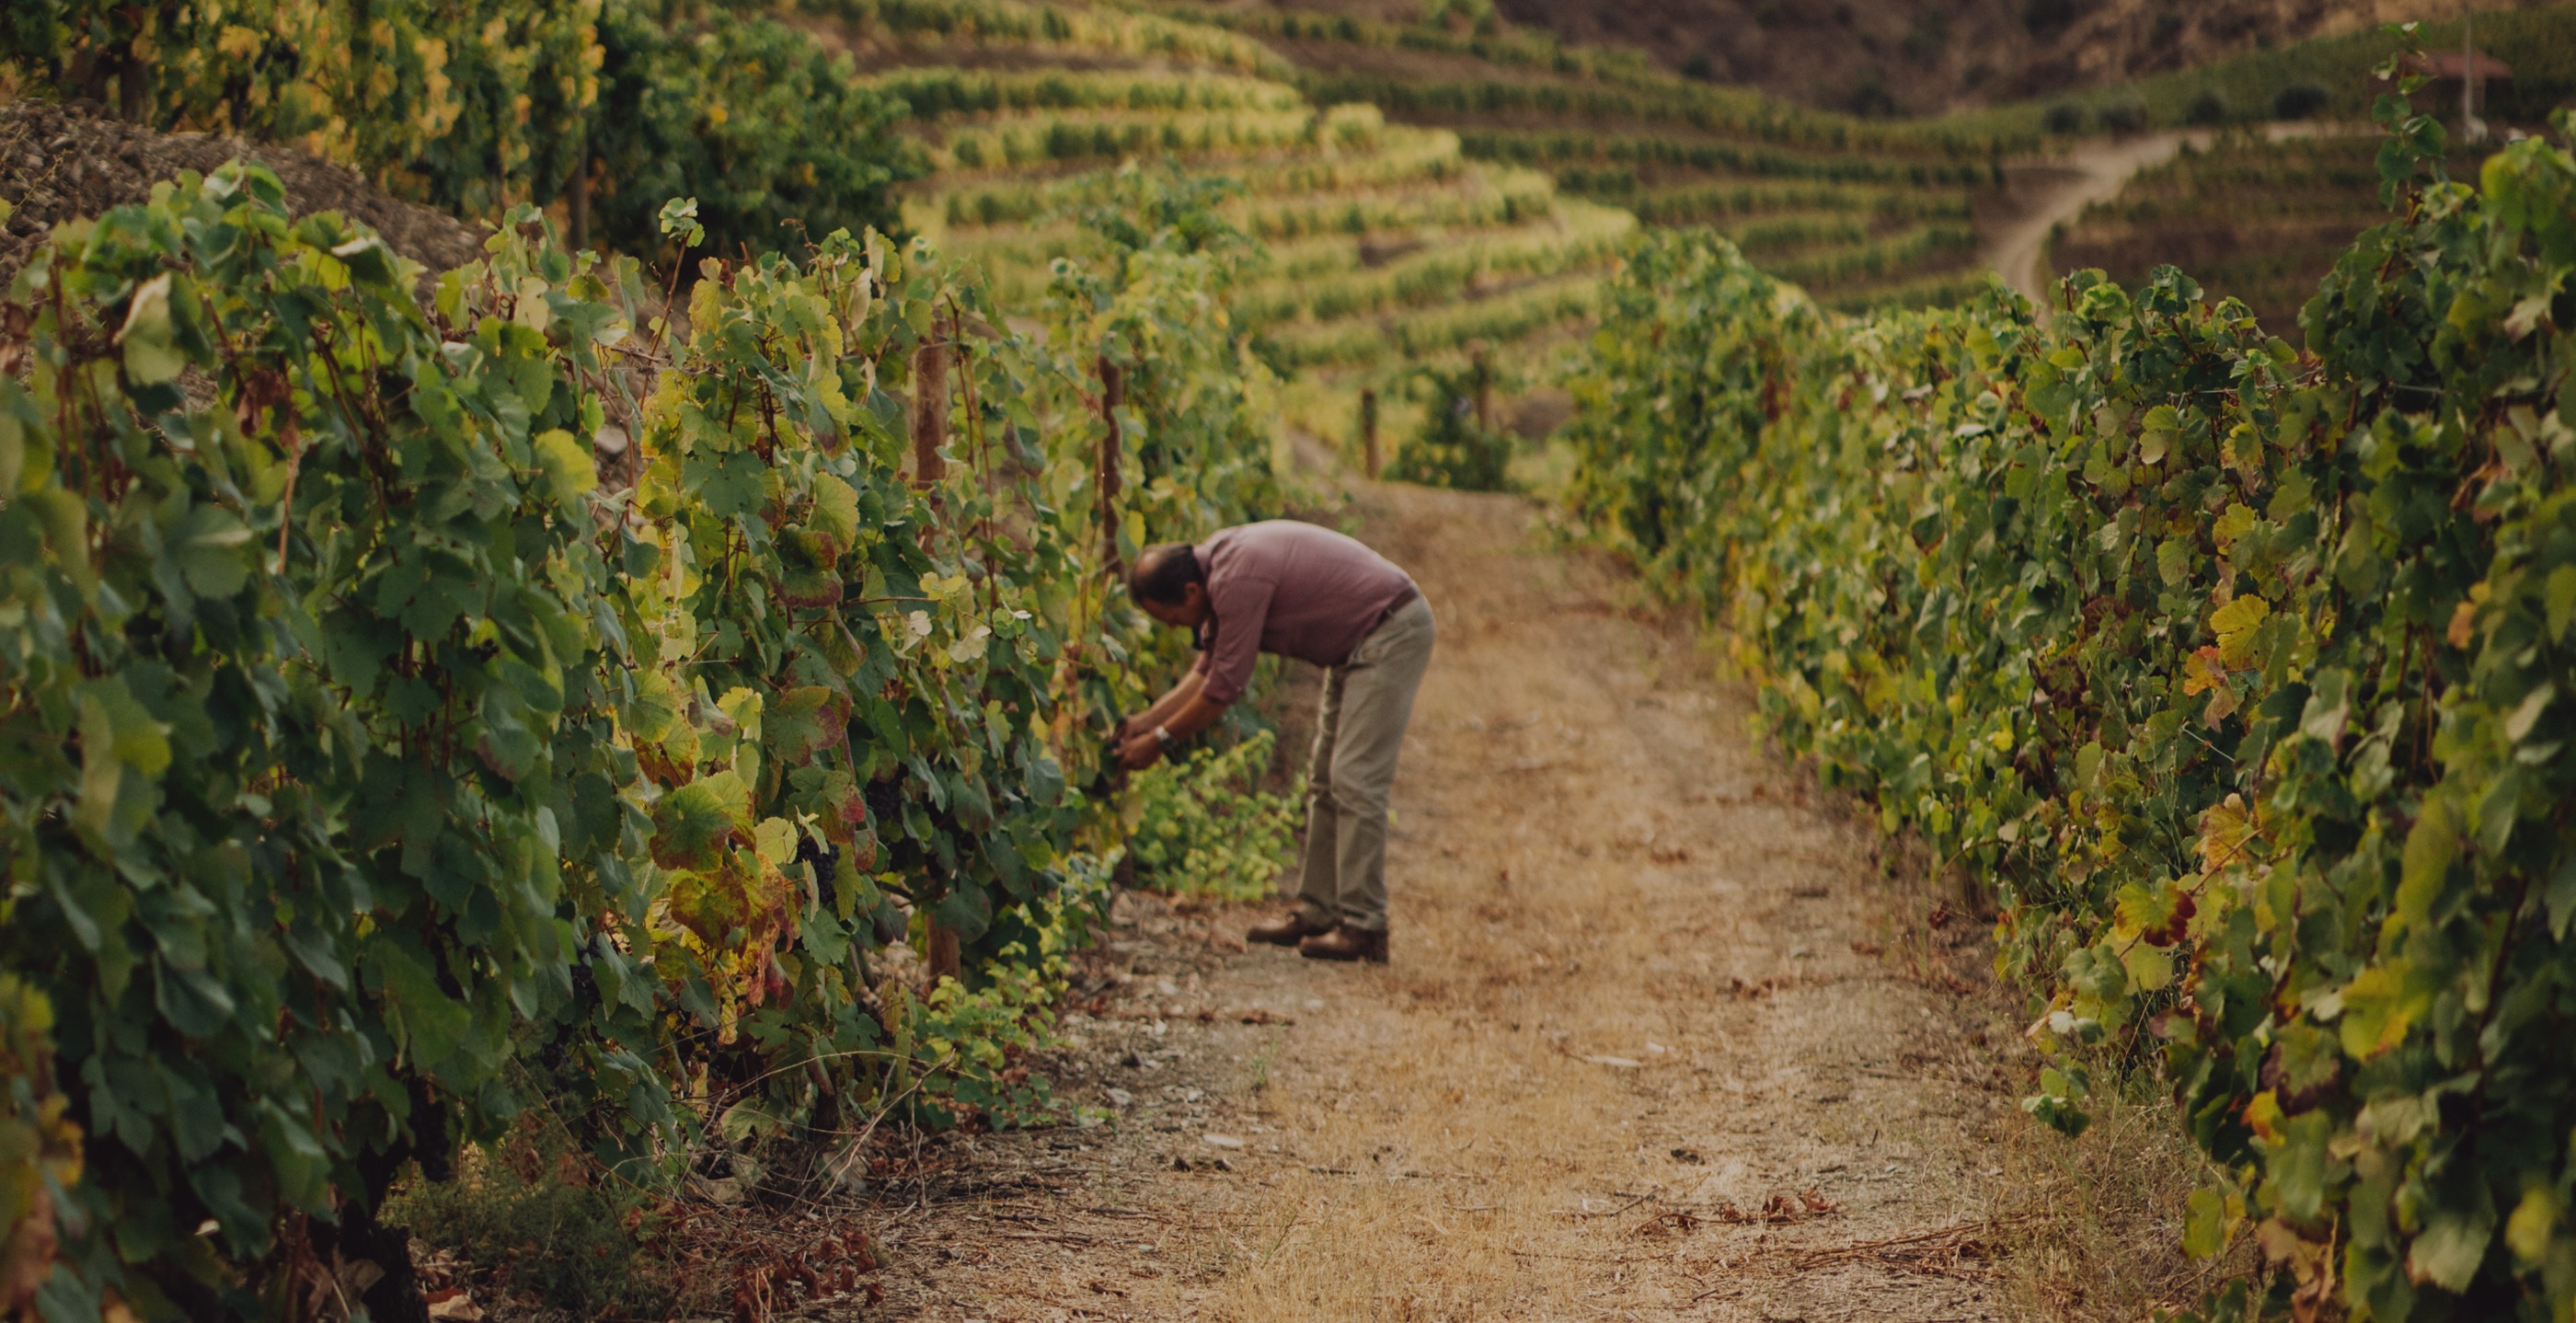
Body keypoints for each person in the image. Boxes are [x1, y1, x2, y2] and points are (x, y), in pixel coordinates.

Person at [1114, 521, 1436, 962]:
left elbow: (1225, 686)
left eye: (1171, 619)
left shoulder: (1236, 578)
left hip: (1389, 632)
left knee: (1354, 779)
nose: (1173, 629)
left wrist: (1161, 741)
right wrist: (1143, 724)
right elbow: (1208, 666)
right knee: (1324, 779)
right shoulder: (1218, 568)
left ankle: (1365, 926)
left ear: (1190, 591)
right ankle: (1319, 911)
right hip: (1357, 644)